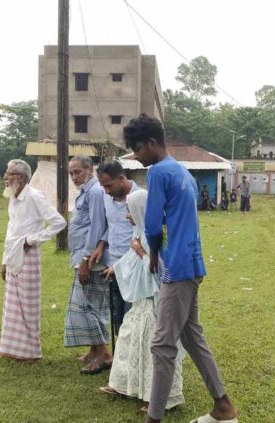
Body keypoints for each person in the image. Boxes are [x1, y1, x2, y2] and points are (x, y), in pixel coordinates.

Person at [123, 114, 237, 423]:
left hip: (176, 266)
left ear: (151, 143)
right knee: (191, 337)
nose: (135, 156)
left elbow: (151, 224)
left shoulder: (159, 172)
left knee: (162, 345)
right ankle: (223, 408)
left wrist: (155, 254)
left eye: (136, 148)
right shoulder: (182, 171)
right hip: (192, 262)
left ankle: (154, 418)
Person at [99, 190, 185, 412]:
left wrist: (140, 253)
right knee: (129, 337)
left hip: (155, 302)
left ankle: (160, 398)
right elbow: (130, 257)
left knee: (151, 348)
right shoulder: (140, 231)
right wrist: (115, 268)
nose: (127, 215)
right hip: (142, 301)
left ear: (140, 210)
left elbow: (161, 270)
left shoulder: (156, 235)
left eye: (129, 210)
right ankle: (121, 385)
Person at [0, 159, 66, 361]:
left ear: (20, 177)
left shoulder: (34, 197)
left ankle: (30, 352)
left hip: (29, 256)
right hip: (13, 254)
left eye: (8, 174)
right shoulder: (12, 196)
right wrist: (4, 260)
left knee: (27, 305)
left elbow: (59, 222)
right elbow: (11, 230)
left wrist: (32, 239)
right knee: (11, 304)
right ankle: (6, 344)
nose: (4, 177)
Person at [64, 155, 113, 374]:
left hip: (92, 260)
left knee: (90, 306)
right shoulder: (86, 191)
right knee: (84, 305)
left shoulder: (94, 192)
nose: (74, 177)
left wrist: (85, 260)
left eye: (77, 172)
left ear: (90, 169)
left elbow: (97, 226)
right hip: (83, 257)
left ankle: (103, 354)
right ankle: (94, 350)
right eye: (71, 173)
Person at [89, 160, 140, 337]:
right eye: (103, 187)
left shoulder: (140, 197)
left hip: (134, 267)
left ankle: (133, 360)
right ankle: (120, 359)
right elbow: (111, 225)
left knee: (132, 315)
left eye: (109, 185)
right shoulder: (106, 197)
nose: (106, 191)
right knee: (117, 316)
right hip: (112, 265)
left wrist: (121, 265)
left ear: (121, 178)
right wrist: (101, 245)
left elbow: (142, 235)